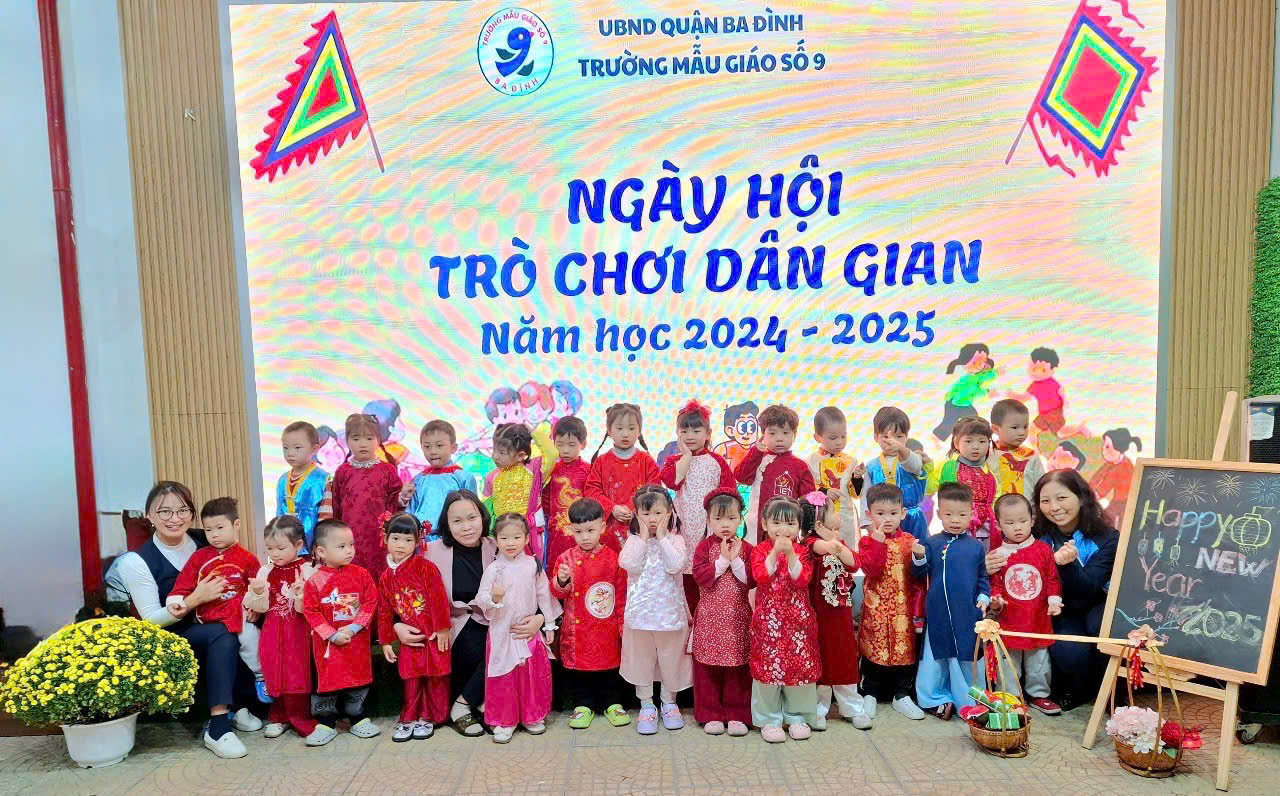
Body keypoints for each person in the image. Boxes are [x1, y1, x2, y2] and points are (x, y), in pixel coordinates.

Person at [104, 481, 265, 758]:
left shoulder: (207, 538)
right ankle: (218, 727)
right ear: (150, 516)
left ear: (192, 514)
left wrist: (255, 604)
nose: (175, 518)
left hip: (214, 620)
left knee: (243, 624)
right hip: (172, 632)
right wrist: (194, 599)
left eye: (182, 510)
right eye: (164, 512)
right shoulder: (137, 561)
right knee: (221, 633)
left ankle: (242, 705)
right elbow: (150, 620)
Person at [1021, 469, 1118, 710]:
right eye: (1045, 501)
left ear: (1082, 497)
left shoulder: (1107, 537)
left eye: (1061, 498)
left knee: (1101, 629)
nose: (1054, 507)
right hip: (1061, 608)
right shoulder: (1036, 536)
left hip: (1096, 602)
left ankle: (1111, 689)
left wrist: (1068, 565)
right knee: (1070, 652)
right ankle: (1079, 688)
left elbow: (1090, 588)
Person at [165, 498, 266, 701]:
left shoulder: (248, 559)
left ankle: (262, 677)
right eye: (208, 530)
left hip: (238, 617)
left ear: (236, 525)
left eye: (220, 528)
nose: (214, 534)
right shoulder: (198, 557)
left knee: (251, 639)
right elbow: (183, 584)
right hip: (209, 619)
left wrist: (255, 608)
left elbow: (257, 588)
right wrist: (175, 601)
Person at [477, 513, 561, 743]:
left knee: (530, 676)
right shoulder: (494, 569)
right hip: (502, 632)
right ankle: (505, 721)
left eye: (516, 537)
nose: (510, 542)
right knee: (505, 677)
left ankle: (531, 716)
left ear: (526, 538)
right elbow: (482, 597)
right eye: (504, 538)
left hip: (528, 630)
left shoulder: (532, 565)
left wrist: (549, 623)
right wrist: (494, 599)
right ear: (496, 540)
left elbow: (544, 594)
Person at [549, 498, 630, 730]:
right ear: (571, 530)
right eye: (579, 532)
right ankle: (582, 704)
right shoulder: (565, 559)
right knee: (579, 670)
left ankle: (612, 703)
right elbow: (557, 592)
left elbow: (621, 596)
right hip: (578, 629)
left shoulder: (614, 558)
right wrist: (561, 580)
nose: (585, 537)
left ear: (602, 527)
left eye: (590, 530)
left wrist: (623, 627)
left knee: (610, 666)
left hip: (607, 628)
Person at [913, 482, 990, 720]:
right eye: (948, 514)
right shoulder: (932, 542)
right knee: (935, 658)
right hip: (938, 612)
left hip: (966, 612)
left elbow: (982, 576)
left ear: (971, 514)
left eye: (962, 514)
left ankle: (970, 701)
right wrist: (918, 557)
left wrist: (984, 595)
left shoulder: (976, 547)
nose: (955, 520)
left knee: (966, 657)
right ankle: (933, 698)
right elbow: (919, 573)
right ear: (939, 514)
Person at [619, 484, 692, 735]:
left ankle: (669, 702)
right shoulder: (633, 541)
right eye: (646, 513)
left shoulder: (676, 540)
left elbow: (675, 565)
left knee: (671, 659)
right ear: (637, 515)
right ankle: (647, 704)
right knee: (642, 660)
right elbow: (629, 564)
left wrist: (661, 538)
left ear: (669, 513)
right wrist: (642, 537)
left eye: (658, 513)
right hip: (640, 616)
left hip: (670, 615)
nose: (652, 519)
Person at [302, 519, 381, 745]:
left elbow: (370, 602)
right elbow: (311, 611)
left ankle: (358, 717)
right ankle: (326, 722)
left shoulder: (361, 575)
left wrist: (356, 627)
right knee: (328, 681)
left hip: (356, 641)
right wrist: (332, 634)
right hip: (328, 645)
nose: (349, 550)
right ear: (321, 552)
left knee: (358, 677)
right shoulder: (315, 582)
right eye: (342, 546)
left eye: (351, 545)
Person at [750, 496, 821, 743]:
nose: (783, 530)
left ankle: (797, 716)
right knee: (767, 667)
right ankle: (768, 719)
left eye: (790, 524)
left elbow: (802, 580)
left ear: (799, 526)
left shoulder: (803, 551)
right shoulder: (759, 550)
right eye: (777, 523)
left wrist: (790, 554)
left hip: (798, 621)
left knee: (799, 666)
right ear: (764, 524)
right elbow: (761, 576)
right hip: (768, 621)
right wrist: (774, 553)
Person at [377, 512, 451, 743]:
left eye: (408, 540)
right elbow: (384, 610)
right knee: (411, 678)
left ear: (418, 541)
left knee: (433, 676)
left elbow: (439, 599)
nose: (401, 545)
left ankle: (428, 717)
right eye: (396, 538)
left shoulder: (425, 568)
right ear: (385, 538)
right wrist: (386, 640)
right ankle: (408, 717)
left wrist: (443, 628)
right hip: (410, 637)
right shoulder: (386, 577)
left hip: (432, 634)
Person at [425, 490, 494, 736]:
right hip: (451, 624)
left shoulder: (496, 546)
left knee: (508, 639)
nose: (466, 527)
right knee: (480, 640)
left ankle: (466, 702)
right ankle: (473, 704)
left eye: (472, 518)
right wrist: (398, 624)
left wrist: (539, 618)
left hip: (492, 620)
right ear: (447, 523)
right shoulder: (431, 551)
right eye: (457, 521)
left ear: (482, 517)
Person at [987, 494, 1063, 716]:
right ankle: (1009, 698)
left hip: (1037, 618)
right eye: (1010, 523)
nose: (1017, 527)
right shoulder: (997, 554)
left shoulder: (1043, 550)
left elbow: (1052, 579)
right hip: (1009, 619)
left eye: (1022, 521)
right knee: (1008, 661)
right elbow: (995, 583)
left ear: (1032, 520)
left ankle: (1039, 695)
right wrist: (996, 599)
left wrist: (1054, 600)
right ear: (998, 525)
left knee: (1039, 660)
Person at [243, 515, 316, 740]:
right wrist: (257, 592)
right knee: (274, 670)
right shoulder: (265, 571)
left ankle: (300, 717)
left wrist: (301, 593)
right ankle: (278, 716)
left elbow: (312, 608)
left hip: (298, 631)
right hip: (273, 630)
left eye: (281, 548)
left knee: (297, 672)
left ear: (298, 545)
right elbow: (260, 608)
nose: (274, 554)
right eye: (269, 549)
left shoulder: (308, 570)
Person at [659, 399, 736, 612]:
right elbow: (673, 481)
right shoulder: (674, 460)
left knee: (709, 575)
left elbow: (730, 495)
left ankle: (708, 621)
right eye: (684, 431)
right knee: (684, 580)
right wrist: (686, 456)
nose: (690, 436)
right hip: (682, 530)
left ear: (708, 434)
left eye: (696, 430)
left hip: (709, 530)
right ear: (677, 434)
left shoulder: (717, 461)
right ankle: (688, 624)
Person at [857, 483, 925, 722]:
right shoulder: (867, 542)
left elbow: (918, 577)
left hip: (902, 609)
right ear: (869, 514)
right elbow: (871, 570)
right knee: (873, 649)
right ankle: (869, 693)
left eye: (893, 513)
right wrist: (877, 542)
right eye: (880, 513)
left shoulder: (909, 540)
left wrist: (919, 557)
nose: (887, 519)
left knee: (903, 650)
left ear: (903, 513)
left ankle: (901, 694)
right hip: (876, 610)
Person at [689, 489, 754, 737]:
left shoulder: (747, 548)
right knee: (708, 666)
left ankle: (738, 713)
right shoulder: (703, 548)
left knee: (738, 665)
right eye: (718, 519)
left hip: (738, 617)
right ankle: (711, 714)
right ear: (708, 520)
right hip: (710, 618)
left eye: (731, 518)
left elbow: (751, 579)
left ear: (740, 518)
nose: (725, 524)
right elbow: (700, 577)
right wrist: (722, 561)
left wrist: (734, 560)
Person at [803, 492, 870, 730]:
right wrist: (830, 543)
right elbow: (820, 547)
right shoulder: (810, 544)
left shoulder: (839, 543)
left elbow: (855, 563)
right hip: (818, 614)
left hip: (841, 613)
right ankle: (817, 708)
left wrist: (838, 546)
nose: (838, 514)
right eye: (833, 510)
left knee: (844, 657)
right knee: (820, 658)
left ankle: (852, 707)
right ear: (818, 523)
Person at [318, 413, 403, 580]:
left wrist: (404, 497)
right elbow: (336, 509)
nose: (363, 444)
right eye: (356, 439)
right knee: (352, 580)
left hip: (379, 540)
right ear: (347, 441)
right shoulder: (343, 472)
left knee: (380, 579)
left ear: (378, 439)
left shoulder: (388, 470)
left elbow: (395, 505)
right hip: (349, 540)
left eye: (369, 438)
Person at [734, 404, 817, 544]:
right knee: (756, 556)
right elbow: (741, 477)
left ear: (794, 435)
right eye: (772, 433)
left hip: (787, 529)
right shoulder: (758, 458)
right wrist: (755, 453)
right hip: (756, 528)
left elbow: (808, 500)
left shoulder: (800, 466)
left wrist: (806, 532)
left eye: (785, 433)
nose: (779, 438)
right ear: (763, 436)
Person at [585, 403, 661, 552]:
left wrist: (632, 508)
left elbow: (655, 492)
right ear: (609, 430)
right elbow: (591, 491)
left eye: (631, 428)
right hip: (608, 532)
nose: (625, 434)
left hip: (641, 530)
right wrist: (612, 508)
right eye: (619, 428)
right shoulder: (601, 461)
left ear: (639, 431)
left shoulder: (646, 461)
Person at [483, 423, 556, 560]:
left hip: (529, 534)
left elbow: (552, 453)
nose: (495, 456)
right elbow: (487, 509)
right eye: (494, 450)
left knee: (531, 568)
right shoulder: (491, 477)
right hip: (502, 537)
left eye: (502, 452)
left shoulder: (534, 469)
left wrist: (535, 433)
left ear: (521, 455)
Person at [929, 416, 999, 549]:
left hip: (987, 528)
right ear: (956, 443)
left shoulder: (989, 473)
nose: (976, 446)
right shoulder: (949, 467)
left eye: (982, 441)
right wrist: (925, 467)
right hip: (959, 525)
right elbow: (931, 489)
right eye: (968, 441)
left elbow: (994, 500)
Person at [861, 406, 930, 542]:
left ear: (906, 437)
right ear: (876, 437)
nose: (893, 442)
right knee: (888, 552)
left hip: (912, 518)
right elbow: (865, 496)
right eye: (886, 437)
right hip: (883, 520)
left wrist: (901, 449)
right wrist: (868, 524)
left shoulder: (912, 458)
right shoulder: (871, 466)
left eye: (899, 437)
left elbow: (915, 466)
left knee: (917, 550)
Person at [399, 420, 476, 540]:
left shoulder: (463, 477)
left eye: (439, 446)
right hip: (422, 541)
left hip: (454, 539)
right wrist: (404, 497)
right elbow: (410, 513)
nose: (433, 451)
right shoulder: (418, 480)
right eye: (427, 446)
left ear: (453, 448)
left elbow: (473, 512)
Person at [806, 406, 864, 546]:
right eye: (833, 438)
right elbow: (807, 491)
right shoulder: (811, 461)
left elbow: (855, 494)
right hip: (822, 517)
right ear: (817, 437)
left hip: (846, 516)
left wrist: (857, 478)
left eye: (843, 436)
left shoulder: (850, 461)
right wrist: (825, 492)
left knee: (848, 549)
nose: (839, 442)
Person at [543, 415, 592, 569]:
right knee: (557, 567)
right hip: (556, 530)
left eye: (571, 445)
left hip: (582, 531)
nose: (565, 450)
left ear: (583, 444)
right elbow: (545, 500)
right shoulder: (551, 469)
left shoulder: (588, 470)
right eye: (560, 444)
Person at [276, 421, 329, 552]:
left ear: (314, 449)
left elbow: (327, 516)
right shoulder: (282, 480)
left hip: (314, 547)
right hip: (286, 547)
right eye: (285, 448)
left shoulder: (323, 479)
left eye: (297, 448)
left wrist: (322, 544)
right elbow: (279, 513)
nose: (290, 453)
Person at [933, 343, 997, 442]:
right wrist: (995, 374)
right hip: (955, 404)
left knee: (973, 419)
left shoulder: (975, 378)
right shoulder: (970, 377)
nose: (982, 368)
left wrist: (986, 391)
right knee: (949, 422)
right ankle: (937, 438)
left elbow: (975, 391)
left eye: (984, 364)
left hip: (963, 404)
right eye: (978, 363)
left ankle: (972, 436)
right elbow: (976, 387)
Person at [988, 399, 1046, 499]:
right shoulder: (987, 455)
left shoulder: (1031, 456)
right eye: (1015, 427)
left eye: (1025, 427)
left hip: (1027, 508)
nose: (1022, 433)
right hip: (997, 508)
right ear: (996, 429)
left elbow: (1042, 486)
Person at [1090, 428, 1143, 528]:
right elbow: (1097, 477)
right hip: (1117, 501)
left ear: (1118, 448)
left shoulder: (1123, 467)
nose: (1103, 449)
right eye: (1104, 446)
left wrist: (1089, 497)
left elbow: (1103, 488)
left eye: (1107, 446)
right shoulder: (1112, 463)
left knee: (1107, 520)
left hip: (1124, 503)